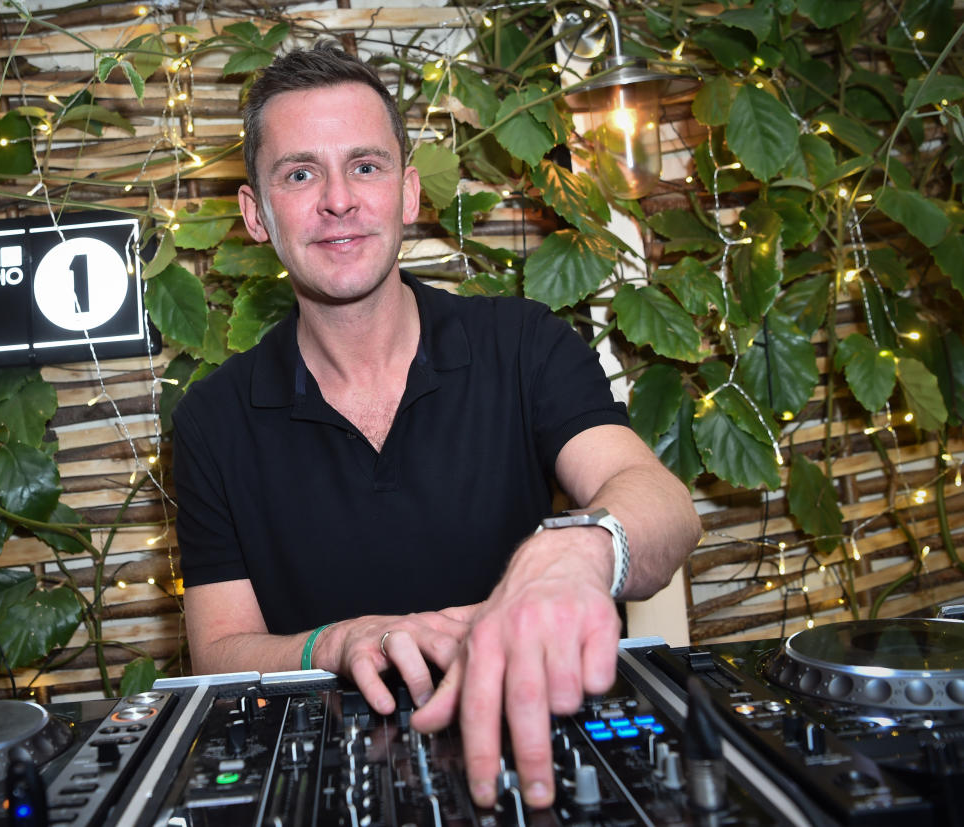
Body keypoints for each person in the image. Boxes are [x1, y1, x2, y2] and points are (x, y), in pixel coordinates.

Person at [171, 42, 701, 809]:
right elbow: (219, 652)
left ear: (409, 193)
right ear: (257, 215)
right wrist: (338, 642)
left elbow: (662, 503)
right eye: (299, 173)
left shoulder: (524, 343)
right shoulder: (211, 419)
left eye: (366, 165)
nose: (338, 200)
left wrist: (577, 552)